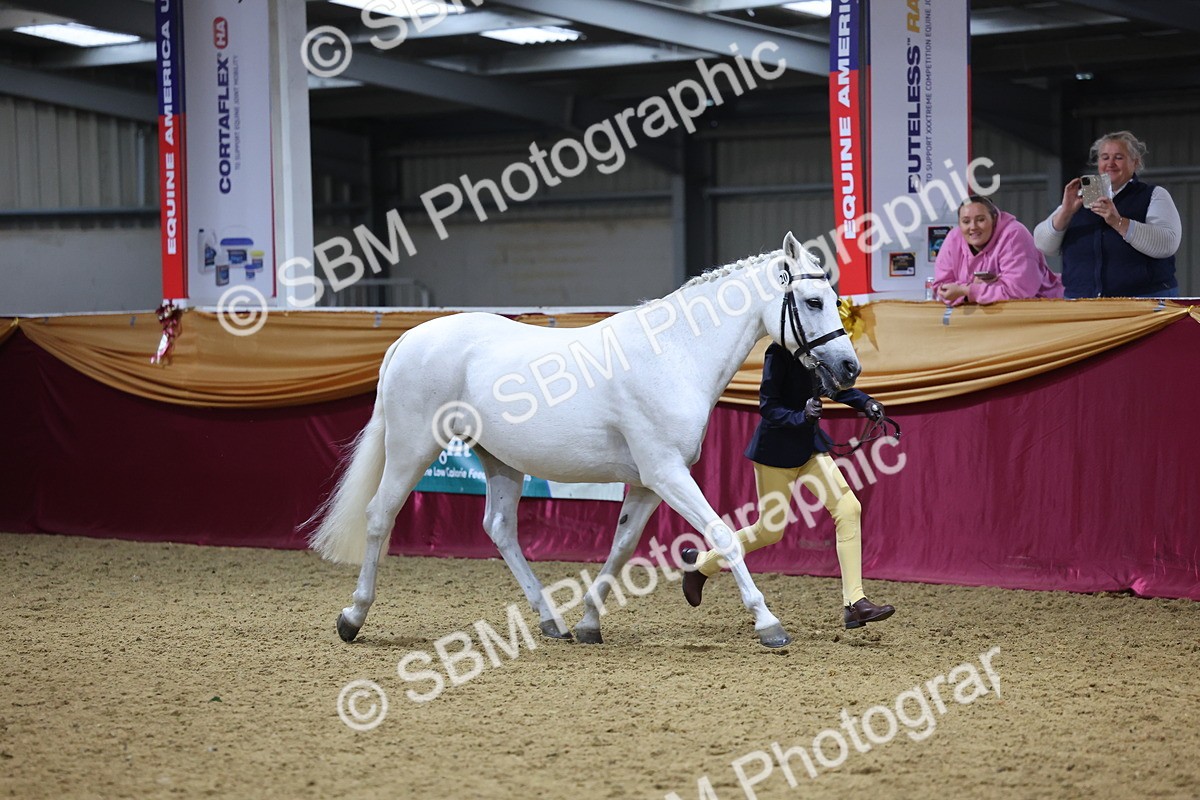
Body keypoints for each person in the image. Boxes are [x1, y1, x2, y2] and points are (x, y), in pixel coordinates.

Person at [680, 343, 895, 630]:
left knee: (848, 508)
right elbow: (768, 406)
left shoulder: (818, 350)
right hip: (776, 452)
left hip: (810, 448)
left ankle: (855, 603)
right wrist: (801, 416)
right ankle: (702, 565)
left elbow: (832, 387)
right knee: (769, 531)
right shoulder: (777, 354)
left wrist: (865, 403)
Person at [1033, 131, 1181, 298]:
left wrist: (1118, 222)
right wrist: (1066, 212)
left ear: (1135, 162)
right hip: (1082, 300)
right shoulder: (1080, 198)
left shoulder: (1153, 195)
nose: (1110, 163)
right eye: (1104, 157)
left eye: (1118, 157)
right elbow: (1042, 245)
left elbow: (1167, 244)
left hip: (1144, 299)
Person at [931, 195, 1064, 305]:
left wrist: (967, 290)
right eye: (966, 221)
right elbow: (941, 289)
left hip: (1045, 308)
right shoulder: (953, 238)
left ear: (994, 219)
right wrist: (971, 291)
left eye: (980, 220)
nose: (973, 227)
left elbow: (1018, 292)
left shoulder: (1014, 235)